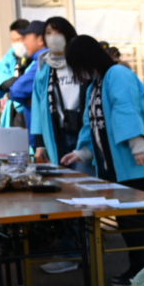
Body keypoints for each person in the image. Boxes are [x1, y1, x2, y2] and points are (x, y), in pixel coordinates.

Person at [60, 35, 144, 286]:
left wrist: (137, 146)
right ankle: (137, 269)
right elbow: (92, 124)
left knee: (134, 221)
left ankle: (141, 272)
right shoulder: (96, 84)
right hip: (116, 165)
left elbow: (126, 110)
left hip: (133, 162)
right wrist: (82, 153)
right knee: (126, 219)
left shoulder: (117, 74)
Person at [31, 17, 89, 171]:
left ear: (68, 34)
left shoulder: (83, 62)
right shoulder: (44, 67)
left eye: (58, 31)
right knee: (63, 178)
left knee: (85, 178)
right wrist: (40, 144)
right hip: (57, 133)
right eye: (48, 32)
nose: (53, 37)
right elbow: (38, 106)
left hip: (84, 132)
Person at [5, 21, 47, 142]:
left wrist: (33, 99)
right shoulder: (40, 60)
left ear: (40, 39)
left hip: (43, 136)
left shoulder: (43, 61)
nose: (24, 43)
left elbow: (16, 91)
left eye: (26, 38)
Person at [0, 20, 30, 128]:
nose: (15, 43)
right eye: (13, 40)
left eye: (18, 39)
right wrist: (8, 82)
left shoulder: (36, 57)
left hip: (28, 109)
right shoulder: (12, 54)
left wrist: (16, 83)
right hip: (13, 109)